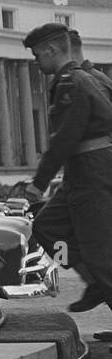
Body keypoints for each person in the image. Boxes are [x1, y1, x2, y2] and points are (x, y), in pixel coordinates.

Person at [22, 23, 112, 316]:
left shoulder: (73, 83)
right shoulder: (89, 78)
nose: (36, 62)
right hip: (82, 173)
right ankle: (95, 282)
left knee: (100, 253)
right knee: (48, 226)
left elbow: (65, 138)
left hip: (91, 173)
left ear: (50, 50)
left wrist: (39, 181)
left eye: (37, 55)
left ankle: (98, 280)